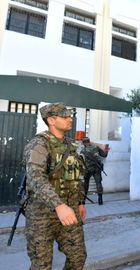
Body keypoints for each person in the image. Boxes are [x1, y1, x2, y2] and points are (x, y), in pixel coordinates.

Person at [23, 102, 86, 270]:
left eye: (70, 115)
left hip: (70, 210)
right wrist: (59, 205)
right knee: (41, 264)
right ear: (51, 120)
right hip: (41, 214)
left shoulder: (71, 145)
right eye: (64, 116)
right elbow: (36, 178)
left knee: (78, 257)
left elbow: (76, 176)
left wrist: (80, 202)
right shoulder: (39, 145)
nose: (69, 119)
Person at [81, 137, 109, 205]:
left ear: (84, 143)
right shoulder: (96, 147)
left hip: (88, 169)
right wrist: (106, 150)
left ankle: (83, 200)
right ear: (89, 141)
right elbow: (104, 155)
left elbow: (81, 162)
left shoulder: (83, 151)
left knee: (85, 184)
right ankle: (100, 200)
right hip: (97, 168)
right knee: (98, 183)